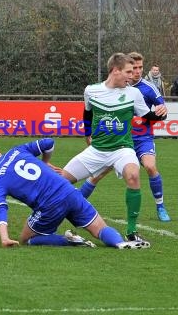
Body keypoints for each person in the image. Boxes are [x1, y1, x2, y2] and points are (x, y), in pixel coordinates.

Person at [60, 53, 167, 243]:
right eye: (128, 71)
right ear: (115, 71)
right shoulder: (91, 90)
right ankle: (47, 220)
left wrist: (160, 114)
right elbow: (87, 113)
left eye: (135, 70)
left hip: (122, 149)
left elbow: (147, 116)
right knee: (59, 182)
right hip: (97, 150)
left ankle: (132, 231)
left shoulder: (134, 93)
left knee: (133, 175)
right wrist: (87, 134)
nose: (132, 75)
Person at [0, 138, 150, 249]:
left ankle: (69, 240)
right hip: (68, 190)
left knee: (27, 239)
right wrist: (46, 162)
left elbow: (1, 209)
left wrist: (4, 238)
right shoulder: (17, 150)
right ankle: (120, 243)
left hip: (49, 205)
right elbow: (48, 142)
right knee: (100, 230)